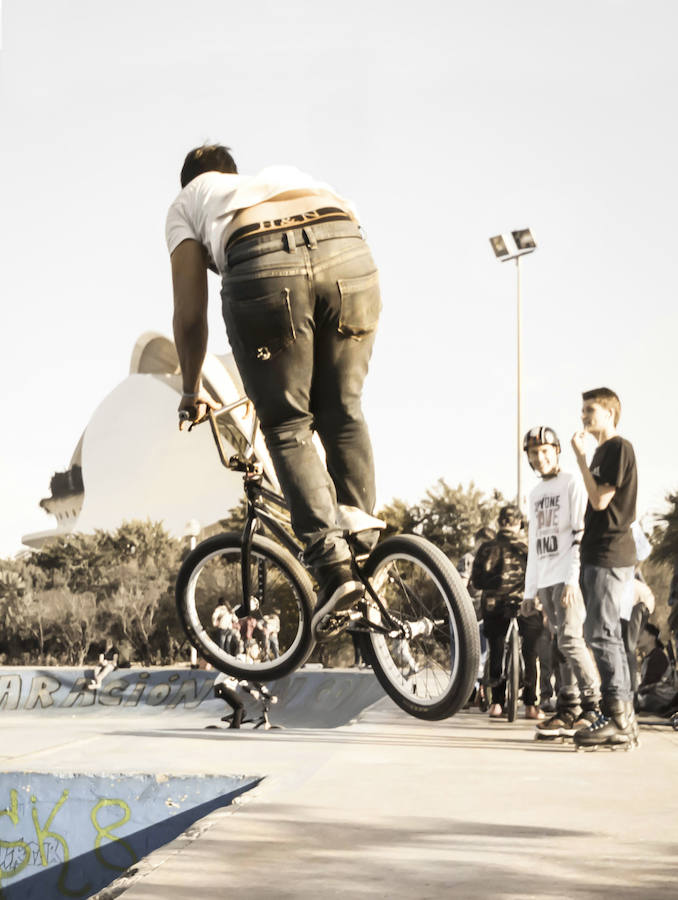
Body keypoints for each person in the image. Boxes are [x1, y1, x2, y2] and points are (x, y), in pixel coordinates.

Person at [166, 145, 381, 639]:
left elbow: (190, 315)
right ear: (230, 174)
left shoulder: (189, 202)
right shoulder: (280, 176)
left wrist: (191, 388)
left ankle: (334, 568)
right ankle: (368, 552)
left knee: (287, 426)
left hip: (263, 260)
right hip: (347, 248)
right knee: (343, 409)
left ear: (190, 182)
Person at [521, 426, 602, 740]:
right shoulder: (535, 494)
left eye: (545, 452)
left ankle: (595, 705)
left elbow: (580, 535)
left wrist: (572, 579)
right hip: (546, 581)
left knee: (571, 640)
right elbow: (534, 544)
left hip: (568, 577)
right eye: (533, 454)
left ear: (556, 451)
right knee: (556, 646)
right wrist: (531, 591)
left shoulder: (571, 483)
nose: (540, 458)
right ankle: (569, 707)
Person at [570, 388, 639, 749]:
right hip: (598, 553)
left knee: (602, 635)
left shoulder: (617, 448)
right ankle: (622, 718)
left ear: (610, 414)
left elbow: (600, 500)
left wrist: (582, 458)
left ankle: (619, 719)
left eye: (590, 410)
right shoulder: (604, 452)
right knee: (603, 633)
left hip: (610, 554)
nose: (583, 416)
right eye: (582, 410)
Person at [471, 505, 536, 718]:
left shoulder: (487, 548)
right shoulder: (528, 547)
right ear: (519, 524)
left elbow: (477, 581)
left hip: (493, 603)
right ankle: (530, 705)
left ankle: (496, 704)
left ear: (499, 523)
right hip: (524, 602)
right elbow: (539, 574)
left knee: (496, 648)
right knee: (530, 650)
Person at [620, 570, 655, 691]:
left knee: (629, 645)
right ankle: (629, 686)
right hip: (639, 601)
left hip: (638, 602)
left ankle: (633, 690)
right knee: (625, 645)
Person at [635, 624, 676, 714]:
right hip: (655, 698)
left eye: (641, 633)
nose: (637, 636)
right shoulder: (649, 657)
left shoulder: (657, 656)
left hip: (662, 699)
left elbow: (651, 683)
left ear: (652, 637)